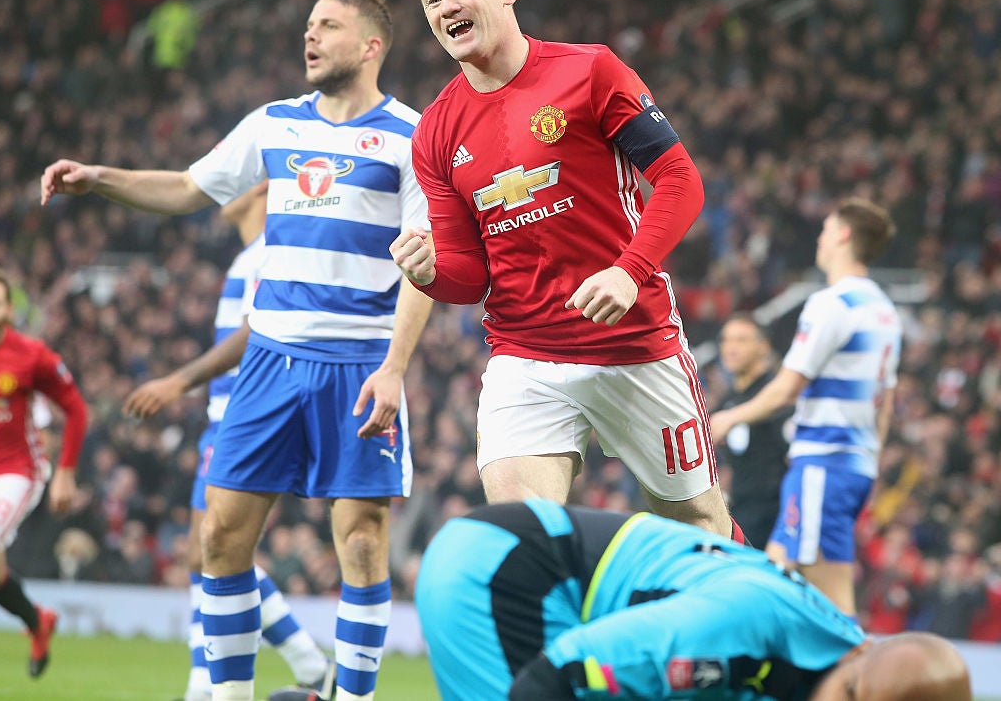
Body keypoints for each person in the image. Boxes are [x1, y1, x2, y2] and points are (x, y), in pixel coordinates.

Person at [41, 0, 433, 701]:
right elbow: (189, 187)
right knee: (220, 538)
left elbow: (425, 266)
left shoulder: (414, 136)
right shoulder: (274, 124)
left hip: (359, 363)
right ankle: (226, 696)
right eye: (308, 25)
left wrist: (395, 367)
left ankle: (355, 697)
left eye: (329, 26)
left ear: (372, 45)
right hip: (271, 360)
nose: (310, 36)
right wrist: (100, 179)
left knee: (365, 544)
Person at [390, 0, 738, 541]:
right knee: (524, 535)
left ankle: (760, 624)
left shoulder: (590, 71)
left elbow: (680, 180)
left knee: (697, 529)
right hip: (525, 354)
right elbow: (470, 278)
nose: (447, 7)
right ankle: (574, 638)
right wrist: (428, 272)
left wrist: (628, 272)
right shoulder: (436, 133)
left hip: (634, 343)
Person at [417, 499, 972, 701]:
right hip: (501, 571)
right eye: (850, 699)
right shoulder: (745, 624)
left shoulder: (836, 660)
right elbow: (557, 677)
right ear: (856, 656)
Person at [122, 183, 334, 701]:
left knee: (214, 549)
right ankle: (304, 664)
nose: (221, 195)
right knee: (211, 552)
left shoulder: (270, 248)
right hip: (226, 416)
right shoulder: (250, 253)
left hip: (243, 416)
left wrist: (180, 381)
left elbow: (258, 329)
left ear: (259, 189)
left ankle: (219, 682)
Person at [709, 197, 902, 617]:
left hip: (823, 463)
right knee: (775, 572)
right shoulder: (886, 312)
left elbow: (786, 388)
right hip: (851, 464)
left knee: (826, 599)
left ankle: (853, 678)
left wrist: (729, 416)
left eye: (826, 229)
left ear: (843, 236)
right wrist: (869, 459)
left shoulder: (832, 304)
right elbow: (884, 403)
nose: (820, 238)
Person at [0, 268, 89, 678]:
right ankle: (37, 621)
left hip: (18, 471)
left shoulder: (31, 355)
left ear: (9, 309)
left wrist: (66, 472)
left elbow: (76, 409)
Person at [711, 314, 791, 546]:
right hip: (742, 511)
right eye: (726, 340)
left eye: (741, 340)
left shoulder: (775, 397)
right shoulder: (729, 400)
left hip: (775, 517)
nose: (731, 348)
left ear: (763, 346)